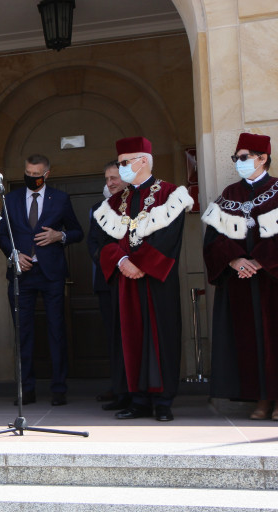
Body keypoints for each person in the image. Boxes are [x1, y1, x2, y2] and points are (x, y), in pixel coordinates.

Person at [93, 136, 194, 422]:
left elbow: (169, 238)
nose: (122, 168)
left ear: (144, 161)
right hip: (125, 283)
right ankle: (137, 399)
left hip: (157, 282)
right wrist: (123, 261)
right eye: (120, 163)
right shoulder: (113, 203)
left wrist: (141, 264)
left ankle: (163, 401)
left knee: (161, 337)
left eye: (126, 163)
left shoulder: (170, 194)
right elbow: (101, 241)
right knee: (130, 339)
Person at [202, 132, 278, 420]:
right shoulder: (228, 196)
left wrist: (260, 260)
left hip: (272, 280)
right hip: (239, 283)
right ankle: (260, 399)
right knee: (250, 341)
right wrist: (234, 260)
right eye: (236, 158)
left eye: (244, 158)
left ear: (262, 158)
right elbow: (212, 238)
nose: (239, 163)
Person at [0, 154, 83, 407]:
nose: (32, 178)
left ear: (47, 174)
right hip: (21, 275)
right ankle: (26, 390)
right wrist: (13, 254)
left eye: (37, 174)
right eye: (28, 173)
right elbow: (3, 236)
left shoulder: (61, 198)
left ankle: (58, 389)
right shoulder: (10, 199)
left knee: (56, 331)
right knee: (23, 334)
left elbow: (78, 232)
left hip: (52, 274)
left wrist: (60, 236)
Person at [87, 160, 130, 411]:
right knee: (115, 339)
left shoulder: (138, 205)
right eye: (107, 179)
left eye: (114, 178)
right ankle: (119, 388)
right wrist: (113, 263)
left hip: (135, 280)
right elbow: (93, 244)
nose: (110, 183)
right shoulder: (98, 209)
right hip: (108, 282)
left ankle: (136, 390)